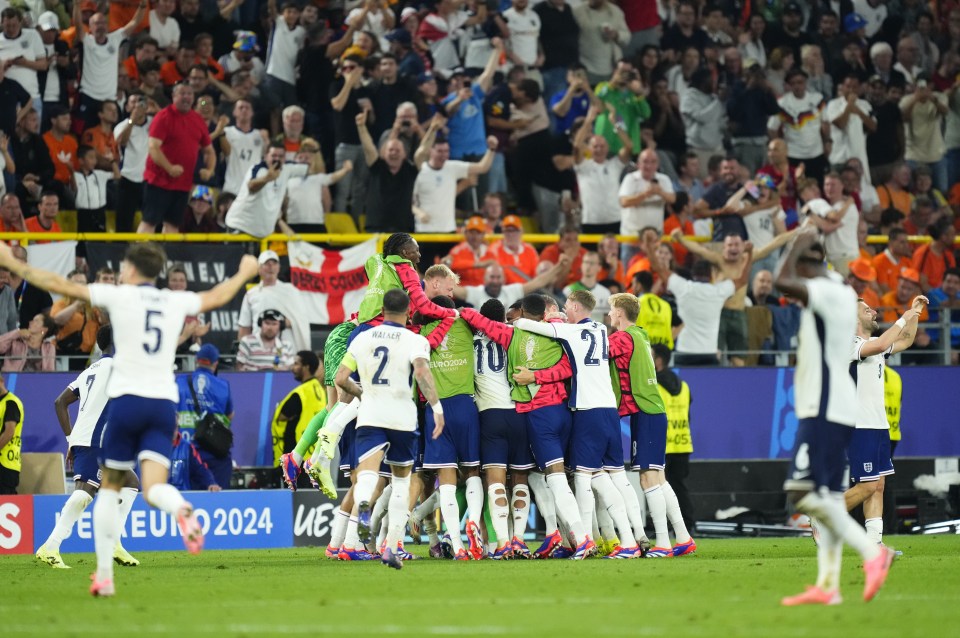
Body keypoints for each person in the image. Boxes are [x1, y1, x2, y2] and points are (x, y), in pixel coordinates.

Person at [0, 241, 259, 597]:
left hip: (127, 403)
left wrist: (13, 263)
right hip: (163, 404)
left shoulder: (119, 297)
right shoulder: (173, 300)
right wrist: (245, 272)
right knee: (150, 487)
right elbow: (216, 295)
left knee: (107, 490)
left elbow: (58, 284)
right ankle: (180, 508)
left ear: (131, 269)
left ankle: (104, 575)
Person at [774, 226, 895, 606]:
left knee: (801, 491)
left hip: (824, 404)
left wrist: (794, 241)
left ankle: (873, 553)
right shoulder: (839, 294)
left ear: (810, 264)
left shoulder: (826, 291)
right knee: (822, 493)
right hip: (833, 404)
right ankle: (828, 585)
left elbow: (780, 280)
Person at [514, 290, 637, 558]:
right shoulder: (602, 331)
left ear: (577, 307)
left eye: (568, 306)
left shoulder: (571, 332)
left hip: (588, 410)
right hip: (609, 410)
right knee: (609, 477)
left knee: (582, 480)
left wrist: (546, 318)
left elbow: (525, 324)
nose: (565, 310)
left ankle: (586, 542)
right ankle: (632, 538)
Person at [335, 289, 443, 569]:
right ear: (409, 312)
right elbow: (421, 372)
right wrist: (437, 407)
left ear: (382, 310)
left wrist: (361, 393)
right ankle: (392, 546)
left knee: (368, 476)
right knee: (401, 482)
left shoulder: (362, 338)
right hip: (402, 418)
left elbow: (340, 378)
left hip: (371, 414)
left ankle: (363, 514)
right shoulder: (415, 340)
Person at [36, 326, 140, 569]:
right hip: (96, 440)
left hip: (91, 439)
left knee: (130, 483)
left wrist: (70, 439)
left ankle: (115, 542)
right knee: (84, 493)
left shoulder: (89, 371)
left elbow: (60, 402)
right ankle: (51, 546)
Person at [606, 293, 693, 558]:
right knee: (659, 478)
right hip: (651, 410)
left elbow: (594, 351)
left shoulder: (622, 338)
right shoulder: (641, 335)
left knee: (647, 478)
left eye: (611, 310)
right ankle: (684, 537)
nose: (609, 315)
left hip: (645, 411)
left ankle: (664, 543)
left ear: (620, 313)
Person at [845, 295, 926, 551]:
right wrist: (903, 317)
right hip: (859, 424)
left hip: (880, 426)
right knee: (867, 485)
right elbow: (881, 345)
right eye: (866, 309)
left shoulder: (875, 343)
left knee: (878, 485)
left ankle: (874, 542)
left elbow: (906, 339)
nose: (873, 311)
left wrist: (914, 313)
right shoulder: (850, 344)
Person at [647, 232, 750, 366]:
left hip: (684, 352)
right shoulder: (718, 291)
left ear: (693, 274)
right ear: (712, 275)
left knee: (683, 387)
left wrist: (649, 247)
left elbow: (658, 268)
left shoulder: (683, 287)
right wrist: (750, 253)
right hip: (709, 353)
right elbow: (743, 280)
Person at [140, 83, 215, 234]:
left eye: (190, 94)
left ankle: (168, 257)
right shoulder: (163, 117)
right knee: (149, 222)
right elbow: (153, 147)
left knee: (173, 225)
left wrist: (210, 170)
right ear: (174, 96)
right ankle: (139, 257)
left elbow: (209, 151)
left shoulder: (197, 120)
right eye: (182, 94)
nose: (187, 97)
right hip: (158, 181)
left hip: (182, 184)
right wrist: (169, 168)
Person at [72, 1, 148, 129]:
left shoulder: (115, 38)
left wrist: (142, 6)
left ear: (107, 26)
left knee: (111, 134)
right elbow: (78, 25)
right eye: (96, 23)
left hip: (109, 98)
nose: (100, 26)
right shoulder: (87, 41)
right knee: (85, 132)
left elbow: (134, 22)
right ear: (90, 27)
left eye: (103, 23)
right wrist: (76, 6)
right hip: (89, 95)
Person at [175, 344, 234, 489]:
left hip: (187, 452)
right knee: (217, 500)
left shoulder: (179, 382)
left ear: (197, 360)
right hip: (214, 452)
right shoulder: (223, 386)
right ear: (215, 363)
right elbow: (230, 414)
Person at [652, 342, 696, 531]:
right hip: (683, 443)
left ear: (658, 360)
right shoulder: (684, 386)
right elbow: (688, 415)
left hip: (663, 445)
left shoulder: (653, 385)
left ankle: (666, 526)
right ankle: (688, 524)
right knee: (679, 487)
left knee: (659, 488)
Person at [573, 103, 633, 235]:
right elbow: (577, 145)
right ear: (589, 148)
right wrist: (589, 120)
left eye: (602, 146)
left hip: (615, 219)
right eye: (595, 146)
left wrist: (615, 122)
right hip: (590, 221)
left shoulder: (614, 164)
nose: (599, 149)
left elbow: (629, 146)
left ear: (607, 148)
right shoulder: (583, 166)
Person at [237, 250, 310, 351]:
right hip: (259, 350)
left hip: (287, 349)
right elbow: (244, 327)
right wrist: (242, 350)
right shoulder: (251, 294)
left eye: (274, 263)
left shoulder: (291, 291)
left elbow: (301, 320)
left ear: (279, 267)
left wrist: (281, 323)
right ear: (259, 269)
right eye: (266, 264)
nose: (271, 267)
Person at [271, 351, 324, 482]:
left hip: (296, 455)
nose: (292, 368)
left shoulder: (301, 393)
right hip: (313, 455)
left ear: (306, 367)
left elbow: (283, 416)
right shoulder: (319, 390)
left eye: (296, 364)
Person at [454, 259, 569, 310]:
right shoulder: (476, 292)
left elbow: (538, 282)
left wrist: (559, 266)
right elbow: (453, 289)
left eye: (498, 277)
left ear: (504, 279)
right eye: (492, 277)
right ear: (484, 279)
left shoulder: (511, 291)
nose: (495, 281)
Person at [114, 93, 151, 233]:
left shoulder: (154, 122)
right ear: (127, 107)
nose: (137, 106)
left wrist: (157, 108)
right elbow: (121, 142)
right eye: (133, 102)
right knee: (124, 222)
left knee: (152, 219)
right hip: (127, 179)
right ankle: (121, 253)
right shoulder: (121, 126)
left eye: (140, 102)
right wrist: (132, 121)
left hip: (149, 179)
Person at [445, 216, 496, 287]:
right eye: (471, 232)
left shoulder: (489, 251)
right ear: (466, 233)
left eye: (478, 232)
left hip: (486, 290)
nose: (474, 236)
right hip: (464, 291)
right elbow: (452, 265)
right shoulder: (457, 250)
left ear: (483, 234)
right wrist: (479, 264)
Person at [488, 215, 540, 284]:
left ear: (521, 232)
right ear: (503, 232)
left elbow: (536, 275)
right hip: (505, 290)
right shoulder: (494, 250)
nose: (510, 234)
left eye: (514, 230)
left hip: (528, 289)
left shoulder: (530, 250)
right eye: (507, 230)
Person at [563, 252, 611, 322]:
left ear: (599, 267)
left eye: (591, 263)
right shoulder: (569, 290)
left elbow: (608, 320)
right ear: (581, 265)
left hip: (597, 331)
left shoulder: (605, 293)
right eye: (585, 262)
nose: (588, 266)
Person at [0, 373, 23, 494]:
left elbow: (9, 432)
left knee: (6, 499)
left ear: (1, 381)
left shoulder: (11, 402)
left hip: (6, 463)